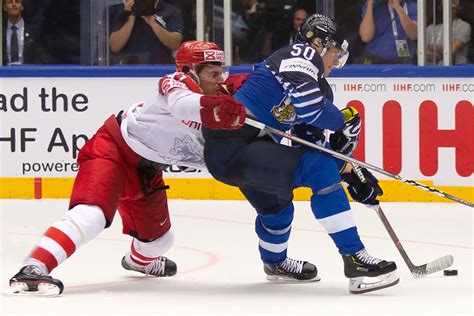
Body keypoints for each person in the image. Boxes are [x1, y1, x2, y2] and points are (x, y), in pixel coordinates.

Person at [7, 40, 246, 297]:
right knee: (92, 214)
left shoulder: (223, 98)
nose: (220, 79)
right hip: (113, 149)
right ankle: (33, 267)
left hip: (147, 171)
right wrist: (216, 109)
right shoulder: (174, 83)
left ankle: (136, 262)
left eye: (222, 71)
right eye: (212, 73)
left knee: (161, 242)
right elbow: (182, 106)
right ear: (189, 71)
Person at [203, 14, 399, 294]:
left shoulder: (315, 83)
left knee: (278, 206)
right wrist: (342, 121)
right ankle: (355, 257)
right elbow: (311, 111)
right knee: (319, 168)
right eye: (335, 52)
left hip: (244, 152)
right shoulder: (301, 54)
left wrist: (353, 173)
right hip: (232, 143)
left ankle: (275, 263)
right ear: (319, 43)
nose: (336, 61)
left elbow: (309, 143)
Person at [108, 0, 183, 64]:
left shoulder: (170, 11)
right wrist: (131, 16)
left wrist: (153, 23)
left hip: (159, 67)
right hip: (127, 67)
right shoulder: (119, 11)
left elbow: (175, 44)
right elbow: (115, 47)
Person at [359, 0, 417, 64]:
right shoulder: (374, 6)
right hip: (374, 61)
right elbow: (366, 37)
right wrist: (370, 4)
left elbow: (413, 35)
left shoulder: (412, 7)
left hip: (401, 63)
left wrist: (398, 8)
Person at [426, 0, 471, 65]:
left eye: (454, 3)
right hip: (430, 71)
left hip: (455, 71)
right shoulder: (430, 28)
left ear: (459, 7)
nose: (451, 1)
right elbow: (421, 52)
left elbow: (453, 49)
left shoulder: (464, 26)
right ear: (440, 6)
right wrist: (444, 51)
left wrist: (432, 48)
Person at [2, 0, 40, 65]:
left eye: (17, 2)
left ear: (22, 7)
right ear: (4, 7)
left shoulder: (34, 31)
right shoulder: (1, 31)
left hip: (28, 72)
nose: (14, 4)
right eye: (10, 2)